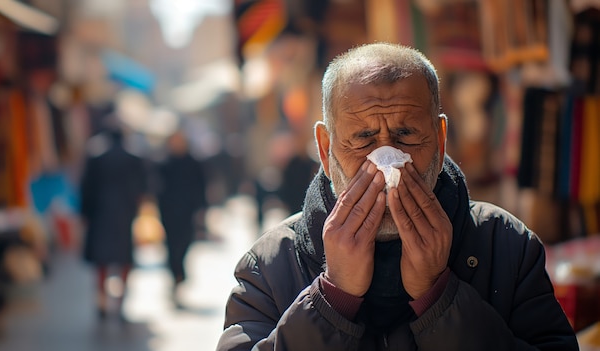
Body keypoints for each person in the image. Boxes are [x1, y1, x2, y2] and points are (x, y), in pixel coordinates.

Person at [216, 43, 578, 350]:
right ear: (326, 151)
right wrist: (332, 297)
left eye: (406, 135)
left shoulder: (506, 245)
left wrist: (440, 298)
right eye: (363, 139)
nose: (387, 161)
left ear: (439, 138)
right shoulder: (270, 265)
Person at [79, 118, 149, 322]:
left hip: (100, 215)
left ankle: (102, 300)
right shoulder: (133, 157)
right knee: (124, 260)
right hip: (125, 215)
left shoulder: (95, 157)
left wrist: (85, 214)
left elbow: (86, 189)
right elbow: (142, 188)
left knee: (102, 262)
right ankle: (120, 301)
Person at [154, 129, 207, 306]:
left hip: (187, 211)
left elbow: (201, 185)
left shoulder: (192, 162)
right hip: (169, 211)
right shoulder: (163, 162)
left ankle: (179, 274)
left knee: (185, 243)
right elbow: (156, 186)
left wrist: (202, 208)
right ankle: (176, 276)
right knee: (171, 246)